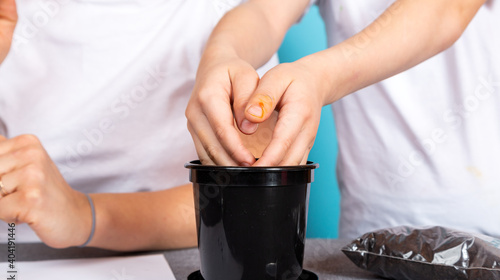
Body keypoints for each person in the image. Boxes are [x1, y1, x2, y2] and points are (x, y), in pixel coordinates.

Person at [186, 0, 500, 239]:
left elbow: (443, 11)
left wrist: (319, 77)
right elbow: (265, 12)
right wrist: (220, 56)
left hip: (486, 227)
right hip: (371, 233)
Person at [0, 0, 277, 250]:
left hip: (172, 264)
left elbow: (248, 198)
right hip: (16, 258)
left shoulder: (234, 21)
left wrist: (86, 216)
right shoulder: (11, 17)